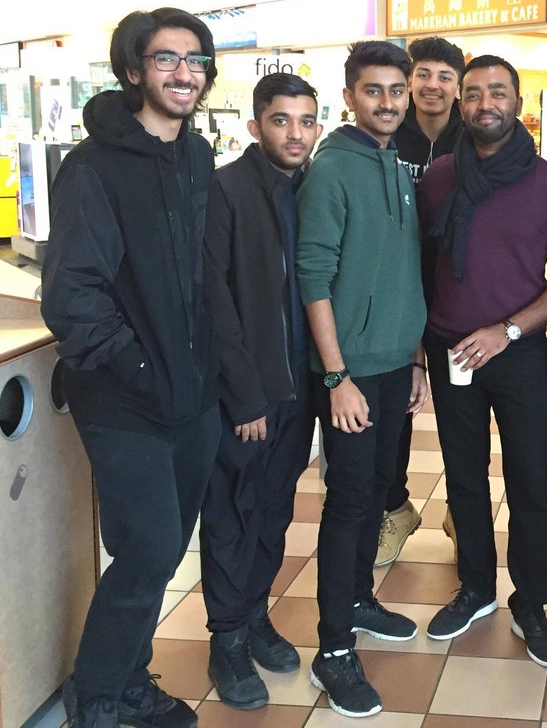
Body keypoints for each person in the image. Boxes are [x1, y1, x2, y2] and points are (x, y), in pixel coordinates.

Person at [42, 7, 221, 728]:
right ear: (133, 71)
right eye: (167, 59)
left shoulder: (197, 157)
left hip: (193, 393)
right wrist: (141, 367)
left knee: (168, 547)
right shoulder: (93, 168)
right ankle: (101, 698)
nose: (184, 73)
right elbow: (72, 295)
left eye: (195, 60)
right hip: (124, 397)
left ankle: (124, 676)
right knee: (146, 550)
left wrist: (203, 368)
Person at [417, 54, 547, 669]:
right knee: (462, 474)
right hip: (449, 348)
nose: (487, 103)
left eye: (499, 92)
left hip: (515, 348)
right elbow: (421, 270)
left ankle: (532, 601)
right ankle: (477, 587)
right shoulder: (437, 179)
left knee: (530, 477)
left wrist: (505, 331)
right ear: (460, 104)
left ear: (518, 101)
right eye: (475, 93)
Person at [296, 40, 429, 718]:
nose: (387, 101)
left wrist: (411, 360)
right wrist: (336, 375)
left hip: (390, 367)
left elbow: (398, 275)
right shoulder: (333, 170)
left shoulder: (396, 166)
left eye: (396, 91)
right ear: (349, 96)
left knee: (376, 492)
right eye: (373, 90)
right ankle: (333, 651)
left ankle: (355, 598)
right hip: (348, 373)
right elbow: (313, 277)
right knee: (348, 503)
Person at [200, 73, 325, 710]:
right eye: (281, 120)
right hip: (246, 394)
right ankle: (225, 636)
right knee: (231, 511)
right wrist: (243, 394)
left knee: (275, 509)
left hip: (301, 387)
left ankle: (254, 614)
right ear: (255, 126)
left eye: (306, 121)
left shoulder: (316, 189)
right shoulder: (225, 190)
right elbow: (214, 301)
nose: (295, 133)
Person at [377, 35, 466, 568]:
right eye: (424, 74)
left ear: (458, 87)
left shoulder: (471, 139)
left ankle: (462, 509)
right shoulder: (388, 136)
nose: (432, 85)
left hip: (456, 298)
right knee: (394, 412)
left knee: (460, 413)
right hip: (393, 296)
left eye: (445, 77)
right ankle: (393, 507)